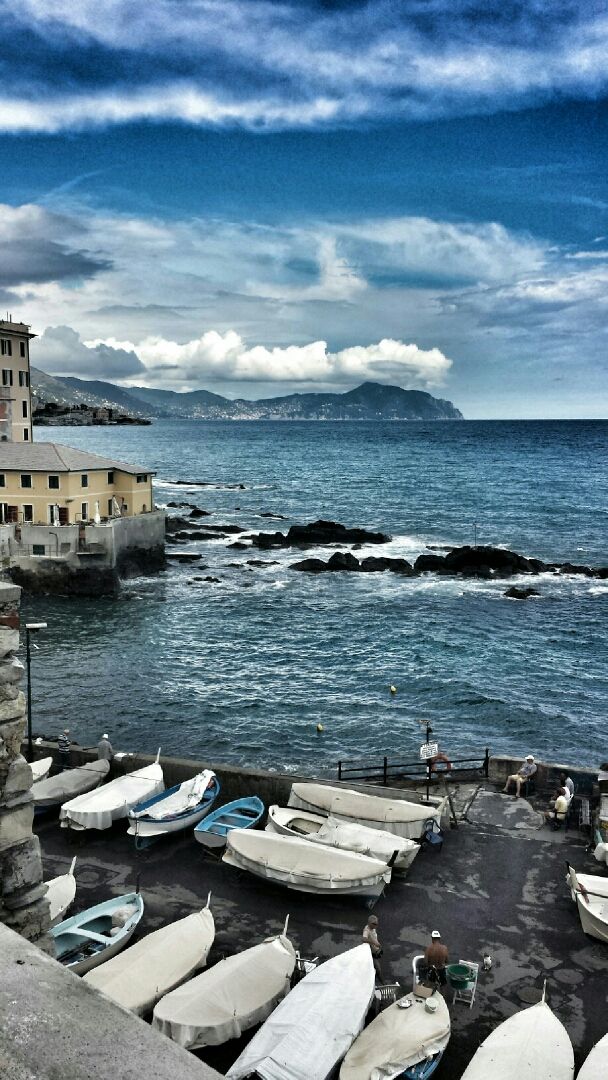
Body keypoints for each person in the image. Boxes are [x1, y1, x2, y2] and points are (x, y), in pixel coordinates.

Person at [362, 914, 383, 980]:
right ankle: (381, 983)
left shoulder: (373, 929)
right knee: (378, 969)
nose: (376, 925)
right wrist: (374, 942)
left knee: (376, 968)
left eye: (376, 924)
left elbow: (374, 937)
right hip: (372, 953)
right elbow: (364, 939)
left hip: (376, 951)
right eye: (374, 924)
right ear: (369, 923)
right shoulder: (367, 930)